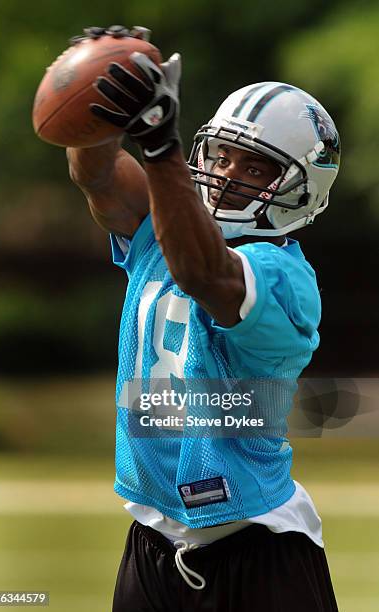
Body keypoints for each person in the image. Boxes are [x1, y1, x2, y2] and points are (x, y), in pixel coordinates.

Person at [67, 25, 340, 612]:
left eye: (255, 168)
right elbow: (95, 174)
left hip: (256, 545)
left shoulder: (284, 277)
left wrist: (160, 146)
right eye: (222, 154)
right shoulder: (164, 226)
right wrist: (99, 100)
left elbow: (203, 272)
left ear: (300, 191)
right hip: (151, 542)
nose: (228, 174)